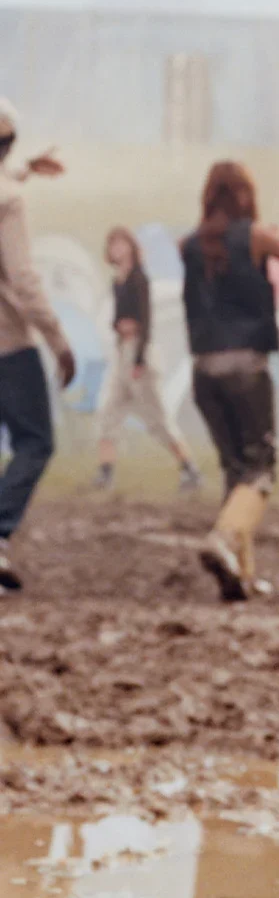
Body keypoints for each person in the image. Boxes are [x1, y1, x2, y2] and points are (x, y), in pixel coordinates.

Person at [180, 163, 279, 600]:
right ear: (243, 195)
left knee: (234, 470)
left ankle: (239, 576)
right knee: (260, 468)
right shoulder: (257, 236)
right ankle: (222, 540)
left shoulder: (187, 244)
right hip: (246, 367)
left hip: (203, 371)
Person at [0, 100, 76, 590]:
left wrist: (23, 171)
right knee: (35, 441)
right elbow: (24, 280)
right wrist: (58, 340)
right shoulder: (9, 200)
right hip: (7, 344)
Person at [94, 227, 200, 493]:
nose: (117, 249)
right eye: (112, 245)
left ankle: (189, 468)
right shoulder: (117, 280)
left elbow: (146, 320)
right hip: (122, 352)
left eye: (121, 244)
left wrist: (140, 359)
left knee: (157, 418)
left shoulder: (139, 279)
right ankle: (105, 474)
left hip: (140, 354)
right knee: (109, 412)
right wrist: (118, 327)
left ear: (131, 247)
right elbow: (118, 318)